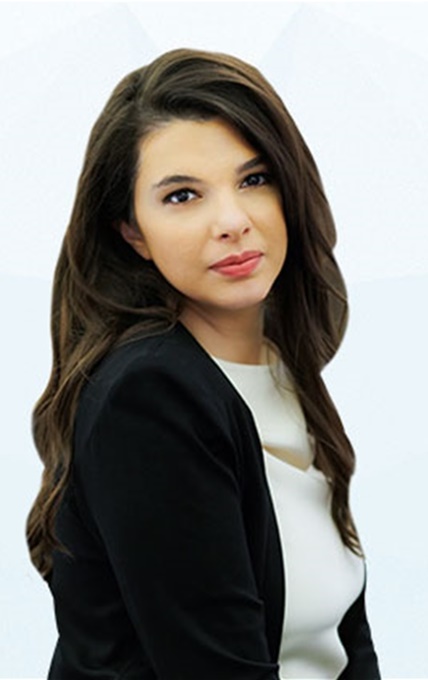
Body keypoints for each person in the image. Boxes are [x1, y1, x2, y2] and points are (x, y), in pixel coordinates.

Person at [26, 47, 380, 679]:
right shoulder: (151, 396)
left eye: (254, 179)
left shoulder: (277, 369)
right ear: (132, 231)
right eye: (183, 195)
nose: (232, 222)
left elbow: (344, 640)